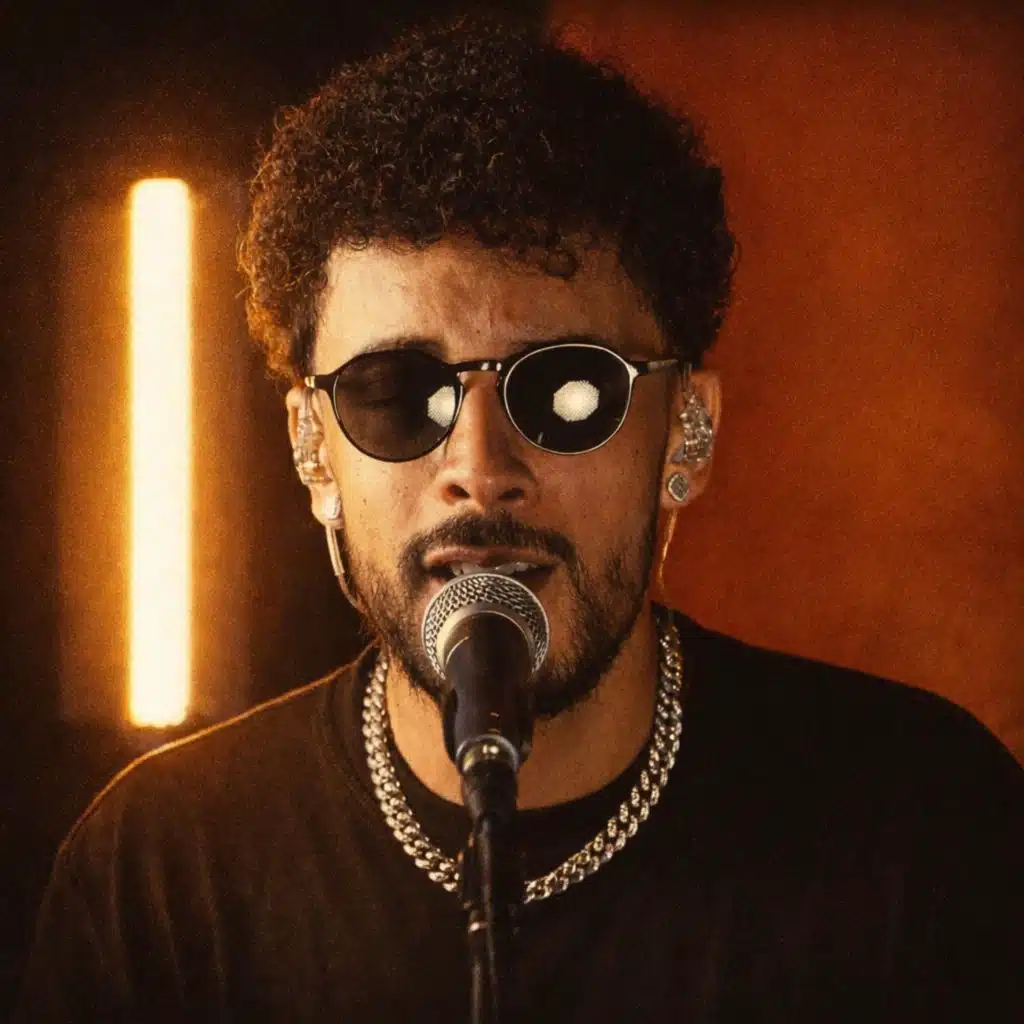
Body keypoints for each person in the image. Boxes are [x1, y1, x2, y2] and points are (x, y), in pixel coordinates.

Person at [16, 13, 1023, 1023]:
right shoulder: (163, 873)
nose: (480, 471)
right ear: (312, 450)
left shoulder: (925, 822)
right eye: (396, 393)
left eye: (566, 391)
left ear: (686, 433)